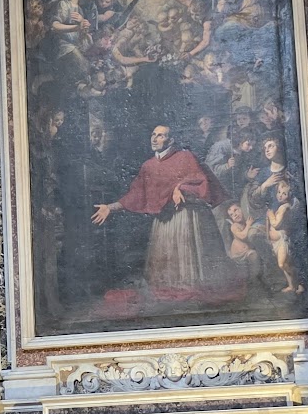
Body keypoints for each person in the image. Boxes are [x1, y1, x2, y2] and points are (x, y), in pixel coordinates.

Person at [92, 124, 241, 304]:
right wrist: (110, 207)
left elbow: (202, 181)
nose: (155, 139)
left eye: (160, 136)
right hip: (164, 223)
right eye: (153, 134)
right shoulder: (148, 166)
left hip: (188, 219)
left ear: (170, 140)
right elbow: (135, 195)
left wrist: (181, 188)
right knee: (167, 283)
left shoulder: (185, 157)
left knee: (195, 281)